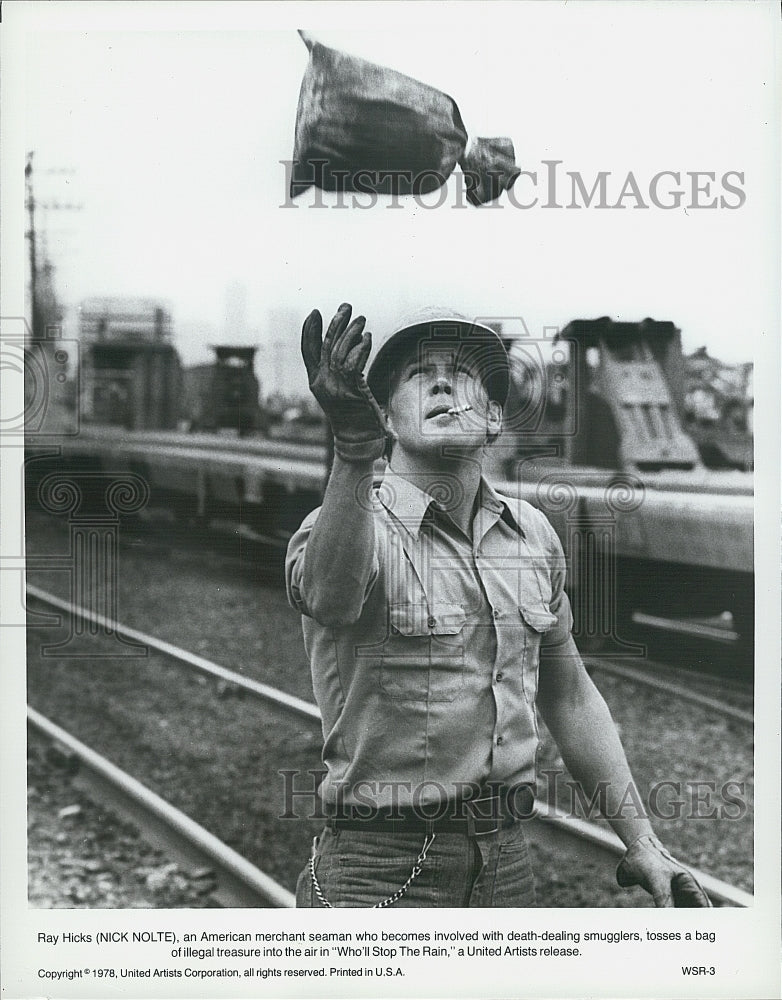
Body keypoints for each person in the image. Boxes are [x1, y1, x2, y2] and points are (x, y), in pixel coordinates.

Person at [285, 301, 710, 908]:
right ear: (387, 416)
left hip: (506, 861)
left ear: (491, 418)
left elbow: (569, 693)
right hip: (376, 866)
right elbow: (329, 597)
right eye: (415, 374)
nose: (440, 381)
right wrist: (354, 449)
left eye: (462, 372)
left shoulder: (532, 534)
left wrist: (641, 840)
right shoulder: (349, 525)